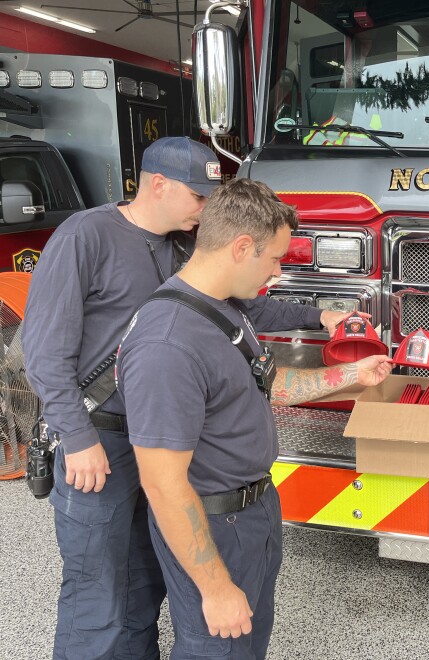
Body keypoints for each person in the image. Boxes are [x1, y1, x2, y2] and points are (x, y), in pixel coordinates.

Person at [22, 136, 350, 660]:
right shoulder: (86, 236)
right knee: (99, 588)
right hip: (101, 439)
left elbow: (242, 309)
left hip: (167, 431)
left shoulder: (181, 242)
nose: (206, 208)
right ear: (158, 185)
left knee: (150, 577)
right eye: (198, 197)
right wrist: (76, 436)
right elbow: (44, 349)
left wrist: (318, 316)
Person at [115, 177, 392, 659]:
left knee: (245, 647)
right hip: (214, 525)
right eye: (274, 258)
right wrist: (216, 587)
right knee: (215, 649)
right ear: (242, 246)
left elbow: (267, 384)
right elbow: (162, 484)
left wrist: (351, 374)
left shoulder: (221, 310)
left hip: (253, 512)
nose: (278, 272)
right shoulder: (168, 345)